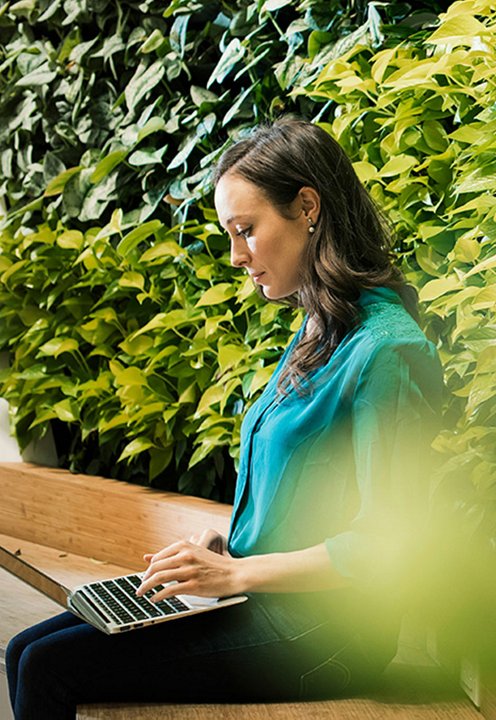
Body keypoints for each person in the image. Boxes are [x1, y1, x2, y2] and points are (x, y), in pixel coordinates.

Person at [5, 118, 444, 719]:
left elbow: (389, 544)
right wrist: (225, 550)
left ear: (307, 208)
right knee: (26, 647)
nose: (237, 256)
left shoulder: (385, 349)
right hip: (267, 601)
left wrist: (235, 576)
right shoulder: (324, 325)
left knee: (46, 667)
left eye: (246, 230)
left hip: (328, 635)